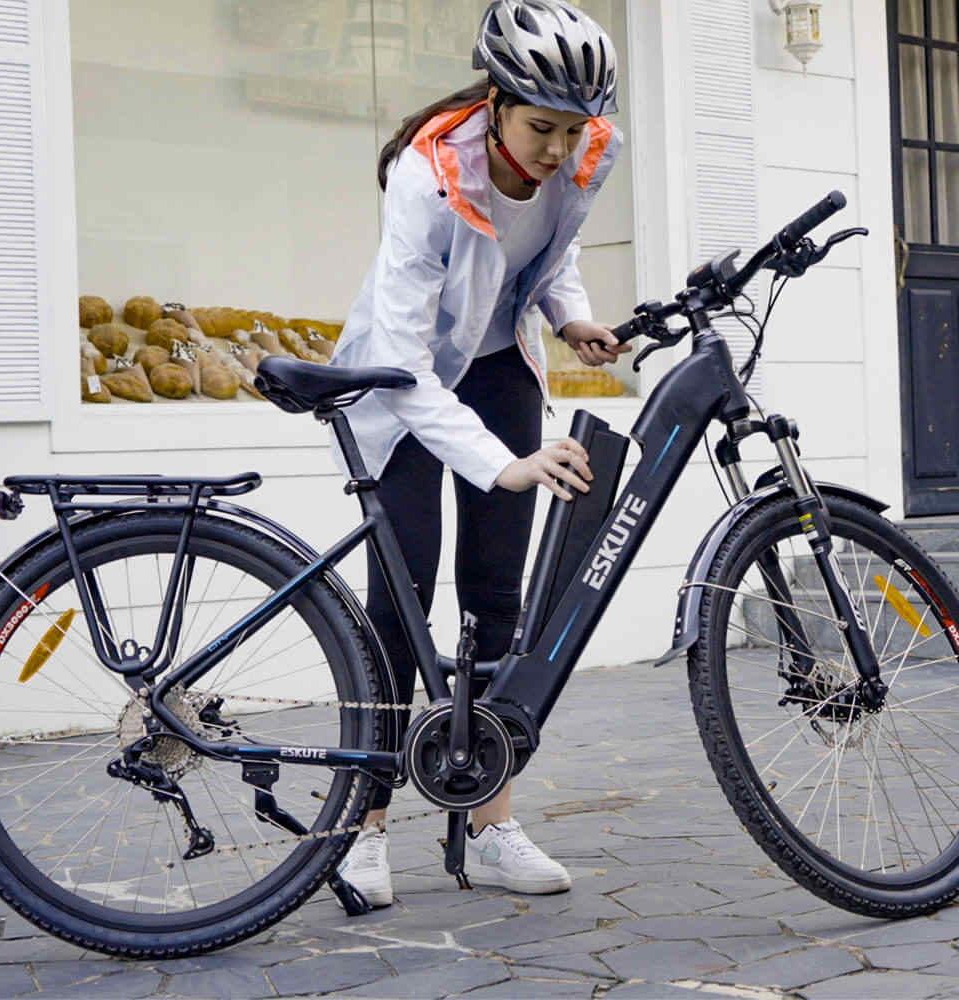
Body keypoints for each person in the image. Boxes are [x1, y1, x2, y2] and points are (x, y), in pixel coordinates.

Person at [328, 0, 629, 906]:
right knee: (402, 597)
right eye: (541, 127)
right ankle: (362, 831)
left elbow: (551, 248)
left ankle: (491, 822)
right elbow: (408, 357)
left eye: (572, 130)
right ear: (498, 103)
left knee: (498, 594)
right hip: (403, 382)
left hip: (498, 365)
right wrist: (501, 464)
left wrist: (568, 316)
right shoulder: (426, 177)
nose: (556, 148)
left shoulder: (584, 152)